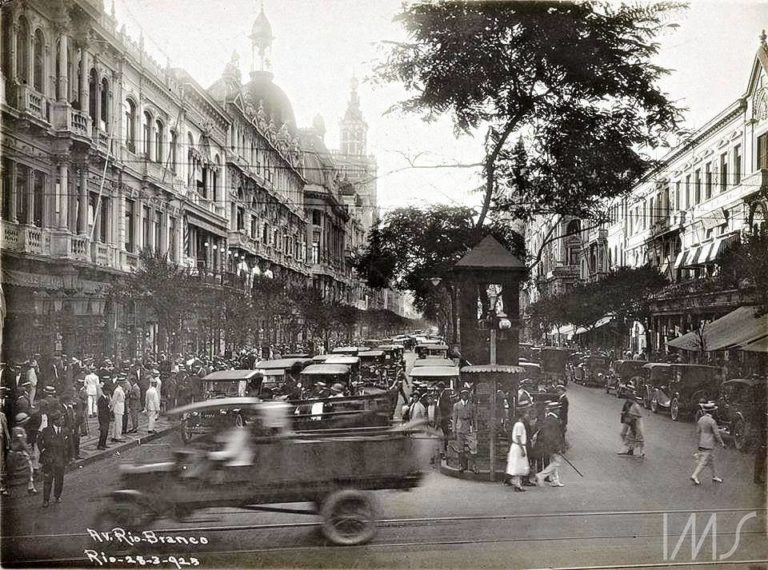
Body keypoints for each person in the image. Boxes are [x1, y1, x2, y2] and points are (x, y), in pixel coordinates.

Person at [39, 409, 72, 508]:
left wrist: (71, 457)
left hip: (61, 460)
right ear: (55, 420)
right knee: (48, 480)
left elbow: (70, 445)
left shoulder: (65, 431)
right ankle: (46, 500)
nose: (62, 420)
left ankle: (57, 496)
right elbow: (39, 441)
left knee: (59, 480)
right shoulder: (46, 430)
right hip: (50, 460)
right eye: (60, 418)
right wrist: (43, 451)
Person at [691, 402, 725, 485]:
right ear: (713, 411)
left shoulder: (701, 419)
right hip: (709, 443)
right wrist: (722, 443)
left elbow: (698, 432)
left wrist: (698, 442)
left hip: (702, 441)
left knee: (711, 460)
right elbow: (716, 434)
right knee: (704, 461)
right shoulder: (712, 421)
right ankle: (694, 475)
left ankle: (714, 476)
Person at [534, 404, 566, 487]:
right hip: (552, 446)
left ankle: (556, 480)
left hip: (549, 445)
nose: (559, 411)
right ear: (554, 410)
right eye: (558, 409)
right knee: (557, 462)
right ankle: (541, 475)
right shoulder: (552, 420)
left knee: (553, 462)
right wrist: (557, 447)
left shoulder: (550, 419)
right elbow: (553, 435)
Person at [11, 413, 38, 496]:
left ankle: (31, 488)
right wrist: (30, 453)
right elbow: (22, 442)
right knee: (28, 469)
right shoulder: (19, 430)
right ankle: (30, 488)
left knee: (28, 469)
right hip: (18, 452)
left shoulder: (19, 429)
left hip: (19, 452)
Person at [506, 407, 530, 492]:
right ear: (523, 415)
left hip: (517, 446)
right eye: (526, 414)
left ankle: (517, 484)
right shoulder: (520, 425)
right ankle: (517, 484)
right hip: (519, 446)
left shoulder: (518, 424)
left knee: (518, 466)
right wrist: (522, 449)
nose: (528, 415)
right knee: (519, 466)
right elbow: (518, 437)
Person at [452, 388, 475, 474]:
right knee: (460, 448)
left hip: (469, 427)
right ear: (461, 395)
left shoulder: (472, 405)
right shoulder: (456, 405)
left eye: (466, 394)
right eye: (463, 394)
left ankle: (472, 465)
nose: (465, 396)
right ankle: (462, 465)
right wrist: (454, 430)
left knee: (473, 447)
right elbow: (454, 418)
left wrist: (475, 429)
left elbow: (474, 418)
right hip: (460, 427)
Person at [617, 389, 645, 458]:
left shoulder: (635, 406)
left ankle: (639, 451)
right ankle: (630, 449)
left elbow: (639, 415)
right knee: (630, 435)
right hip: (630, 421)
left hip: (635, 422)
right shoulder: (628, 403)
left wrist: (630, 414)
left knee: (637, 436)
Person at [96, 384, 111, 450]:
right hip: (103, 418)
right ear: (104, 391)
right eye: (107, 391)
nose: (108, 392)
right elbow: (101, 410)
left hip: (106, 417)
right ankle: (100, 445)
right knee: (103, 431)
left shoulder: (106, 398)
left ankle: (104, 443)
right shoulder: (101, 399)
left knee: (106, 431)